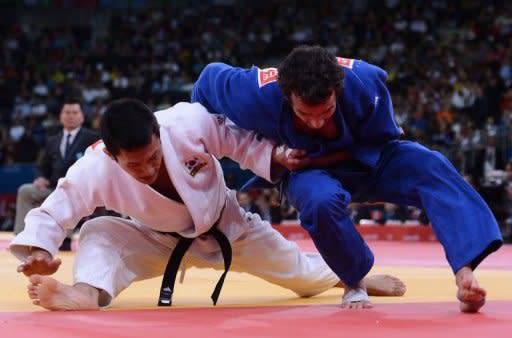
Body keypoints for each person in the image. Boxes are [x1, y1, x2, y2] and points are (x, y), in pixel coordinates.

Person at [11, 98, 405, 311]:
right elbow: (54, 209)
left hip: (227, 226)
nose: (148, 168)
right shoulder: (94, 166)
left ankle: (352, 276)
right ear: (113, 156)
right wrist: (40, 249)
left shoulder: (185, 123)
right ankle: (85, 292)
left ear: (157, 133)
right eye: (135, 164)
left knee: (299, 274)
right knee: (98, 231)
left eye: (154, 156)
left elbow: (240, 141)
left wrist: (278, 156)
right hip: (156, 240)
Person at [191, 45, 503, 312]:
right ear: (286, 97)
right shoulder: (254, 93)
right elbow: (207, 81)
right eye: (305, 113)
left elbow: (381, 141)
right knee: (319, 201)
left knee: (431, 166)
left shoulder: (365, 83)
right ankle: (354, 281)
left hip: (367, 158)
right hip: (306, 171)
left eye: (326, 111)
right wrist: (195, 151)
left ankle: (465, 274)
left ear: (337, 93)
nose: (316, 121)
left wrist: (317, 153)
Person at [13, 98, 99, 250]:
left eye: (75, 112)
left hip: (77, 190)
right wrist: (40, 177)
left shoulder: (91, 138)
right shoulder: (53, 139)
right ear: (61, 116)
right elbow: (42, 165)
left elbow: (98, 165)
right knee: (25, 191)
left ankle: (64, 239)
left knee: (70, 198)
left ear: (82, 117)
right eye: (67, 112)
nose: (71, 116)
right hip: (52, 187)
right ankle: (23, 237)